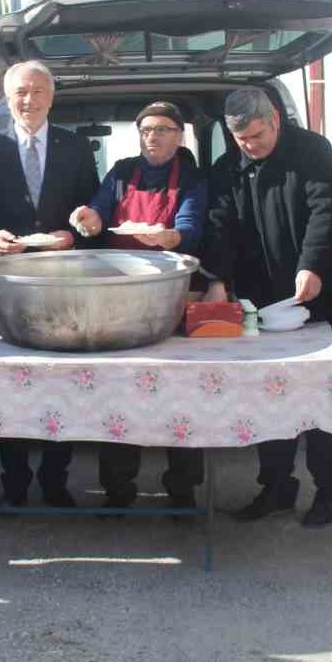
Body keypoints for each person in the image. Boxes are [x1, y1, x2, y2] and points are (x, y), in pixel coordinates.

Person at [201, 86, 332, 524]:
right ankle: (276, 487)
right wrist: (218, 280)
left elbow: (326, 209)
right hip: (259, 301)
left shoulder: (311, 151)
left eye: (256, 136)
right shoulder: (228, 167)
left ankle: (331, 489)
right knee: (266, 397)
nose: (250, 146)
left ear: (275, 119)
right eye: (242, 140)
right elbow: (219, 225)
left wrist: (312, 265)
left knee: (318, 396)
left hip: (312, 296)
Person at [0, 60, 101, 507]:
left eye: (38, 91)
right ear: (8, 98)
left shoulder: (76, 146)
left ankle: (55, 478)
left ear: (52, 97)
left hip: (64, 283)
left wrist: (75, 231)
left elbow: (91, 205)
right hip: (9, 284)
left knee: (60, 381)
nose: (30, 100)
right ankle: (15, 478)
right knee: (9, 382)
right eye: (21, 92)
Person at [71, 102, 208, 512]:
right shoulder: (121, 172)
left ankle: (182, 489)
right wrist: (89, 218)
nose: (153, 136)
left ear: (180, 134)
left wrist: (168, 237)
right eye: (146, 129)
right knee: (119, 392)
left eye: (163, 129)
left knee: (179, 394)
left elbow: (190, 228)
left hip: (172, 297)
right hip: (120, 298)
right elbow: (98, 208)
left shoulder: (195, 177)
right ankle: (117, 487)